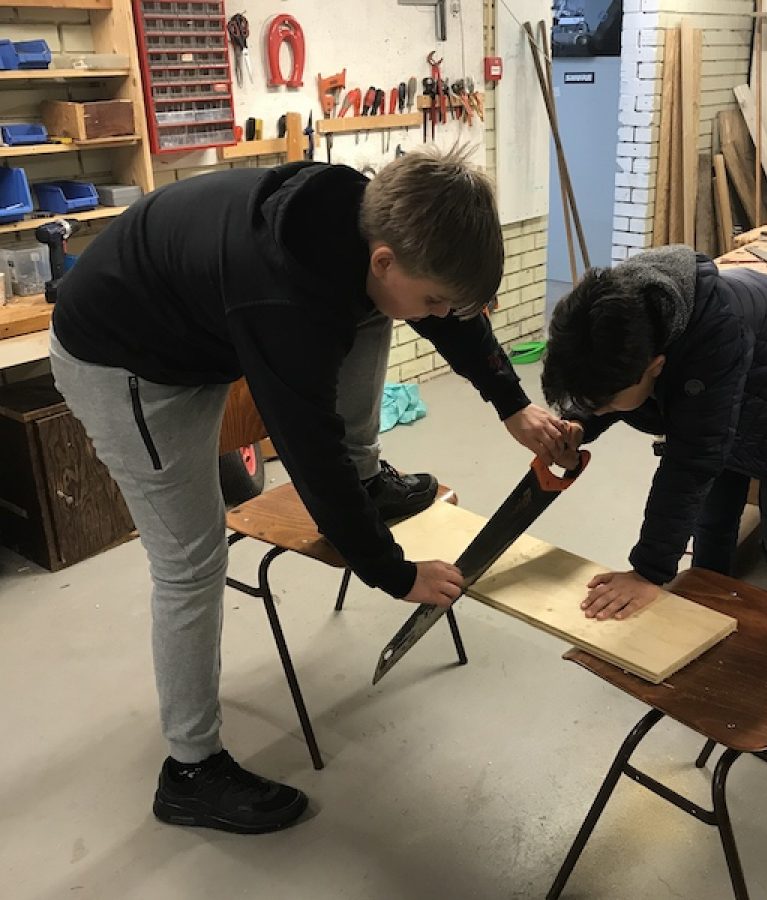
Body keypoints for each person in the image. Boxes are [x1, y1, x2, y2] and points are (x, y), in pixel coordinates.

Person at [50, 148, 566, 834]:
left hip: (200, 323)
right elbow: (308, 452)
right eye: (435, 300)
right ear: (384, 258)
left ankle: (369, 482)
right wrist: (391, 572)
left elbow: (446, 307)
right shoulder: (286, 299)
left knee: (379, 310)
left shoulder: (373, 225)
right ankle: (191, 771)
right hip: (126, 363)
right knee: (191, 562)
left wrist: (512, 403)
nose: (440, 313)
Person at [542, 244, 767, 621]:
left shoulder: (712, 338)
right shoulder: (625, 312)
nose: (599, 410)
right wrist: (580, 423)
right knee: (713, 517)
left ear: (655, 366)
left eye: (604, 404)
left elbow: (690, 461)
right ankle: (706, 615)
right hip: (742, 365)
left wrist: (648, 572)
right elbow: (609, 380)